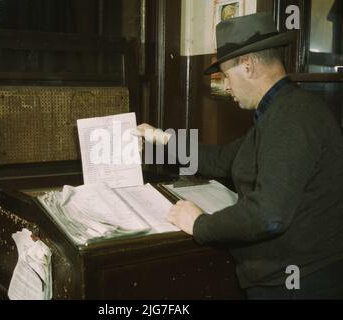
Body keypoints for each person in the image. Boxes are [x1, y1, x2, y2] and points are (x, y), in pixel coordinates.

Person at [136, 12, 343, 299]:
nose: (226, 85)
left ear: (247, 66)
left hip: (298, 284)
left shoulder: (293, 117)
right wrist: (159, 138)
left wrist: (199, 223)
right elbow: (221, 159)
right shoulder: (280, 111)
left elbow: (268, 215)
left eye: (225, 74)